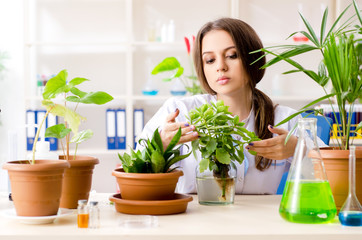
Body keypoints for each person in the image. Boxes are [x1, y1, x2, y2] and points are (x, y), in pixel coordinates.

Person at [137, 17, 299, 194]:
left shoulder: (286, 119)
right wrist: (160, 144)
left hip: (260, 220)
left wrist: (298, 150)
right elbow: (134, 168)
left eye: (232, 56)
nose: (221, 66)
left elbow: (329, 176)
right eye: (210, 60)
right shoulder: (180, 112)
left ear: (253, 58)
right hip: (192, 220)